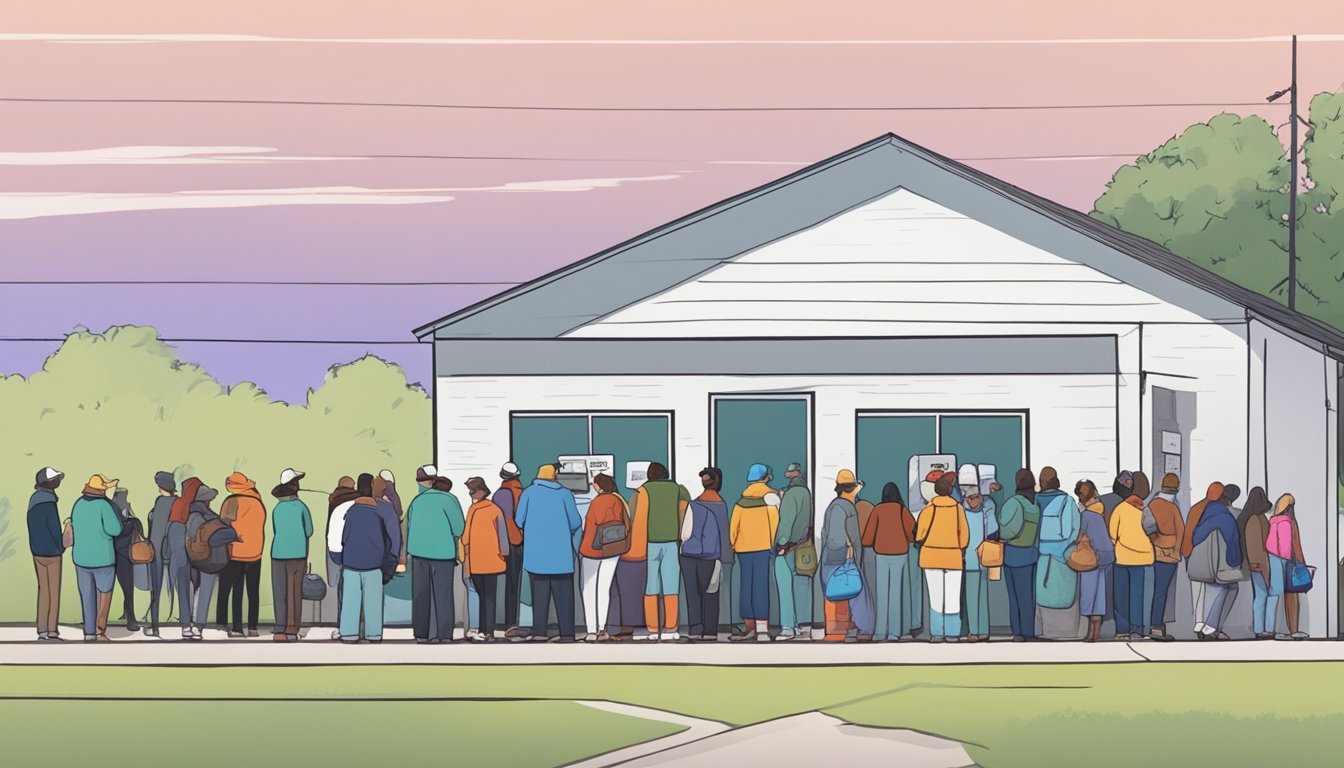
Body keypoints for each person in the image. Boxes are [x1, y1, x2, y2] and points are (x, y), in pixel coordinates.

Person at [515, 464, 582, 643]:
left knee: (539, 598)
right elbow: (575, 522)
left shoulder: (528, 493)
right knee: (564, 599)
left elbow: (519, 520)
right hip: (561, 557)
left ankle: (539, 632)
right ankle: (567, 634)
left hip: (536, 557)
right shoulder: (565, 494)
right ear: (555, 475)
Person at [405, 466, 464, 644]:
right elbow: (460, 528)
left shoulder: (416, 501)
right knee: (443, 595)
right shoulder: (449, 499)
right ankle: (444, 634)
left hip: (418, 553)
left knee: (420, 595)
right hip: (443, 554)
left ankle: (422, 634)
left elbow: (409, 527)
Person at [337, 474, 397, 643]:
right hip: (374, 565)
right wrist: (389, 564)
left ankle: (349, 633)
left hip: (351, 563)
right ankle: (373, 634)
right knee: (373, 602)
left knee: (350, 600)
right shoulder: (380, 513)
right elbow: (390, 541)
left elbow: (342, 538)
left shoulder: (348, 513)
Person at [636, 462, 691, 641]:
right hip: (671, 544)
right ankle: (671, 628)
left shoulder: (643, 490)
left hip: (650, 543)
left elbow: (638, 517)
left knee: (651, 587)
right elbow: (684, 514)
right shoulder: (678, 489)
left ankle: (652, 629)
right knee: (671, 587)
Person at [915, 471, 969, 643]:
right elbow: (965, 536)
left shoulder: (928, 510)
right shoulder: (958, 509)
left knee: (936, 598)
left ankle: (937, 633)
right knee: (953, 597)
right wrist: (959, 547)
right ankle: (953, 633)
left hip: (931, 556)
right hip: (953, 557)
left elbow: (919, 535)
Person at [731, 463, 781, 642]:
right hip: (763, 548)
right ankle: (762, 630)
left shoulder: (740, 503)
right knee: (761, 587)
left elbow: (733, 529)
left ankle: (749, 627)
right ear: (766, 478)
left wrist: (734, 544)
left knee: (746, 586)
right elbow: (775, 526)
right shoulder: (769, 500)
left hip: (743, 550)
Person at [576, 473, 628, 642]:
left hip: (593, 550)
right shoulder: (618, 501)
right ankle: (602, 628)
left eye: (594, 484)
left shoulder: (596, 502)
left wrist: (582, 547)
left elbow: (588, 526)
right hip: (614, 550)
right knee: (604, 589)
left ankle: (591, 629)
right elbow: (627, 524)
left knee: (588, 589)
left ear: (599, 486)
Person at [71, 474, 123, 642]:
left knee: (87, 595)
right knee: (104, 595)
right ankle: (100, 631)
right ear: (102, 491)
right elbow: (115, 530)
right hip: (103, 558)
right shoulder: (103, 506)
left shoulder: (78, 504)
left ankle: (89, 631)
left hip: (81, 557)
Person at [862, 481, 916, 642]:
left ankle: (880, 632)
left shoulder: (878, 509)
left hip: (882, 555)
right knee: (896, 594)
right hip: (900, 554)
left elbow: (868, 536)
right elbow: (913, 534)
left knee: (882, 594)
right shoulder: (902, 510)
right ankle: (894, 632)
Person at [216, 472, 266, 638]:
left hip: (236, 552)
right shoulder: (258, 501)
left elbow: (222, 523)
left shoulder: (232, 501)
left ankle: (237, 627)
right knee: (253, 592)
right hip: (256, 552)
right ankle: (253, 627)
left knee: (237, 590)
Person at [1034, 466, 1081, 641]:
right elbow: (1075, 529)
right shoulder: (1067, 501)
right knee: (1065, 597)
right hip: (1063, 559)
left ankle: (1043, 631)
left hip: (1041, 559)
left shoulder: (1034, 500)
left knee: (1043, 595)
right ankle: (1066, 634)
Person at [1190, 488, 1242, 640]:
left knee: (1210, 590)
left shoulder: (1205, 516)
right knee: (1230, 588)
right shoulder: (1228, 518)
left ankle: (1203, 625)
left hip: (1205, 566)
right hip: (1222, 565)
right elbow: (1233, 543)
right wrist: (1236, 561)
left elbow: (1195, 539)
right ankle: (1212, 627)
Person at [679, 469, 724, 643]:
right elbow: (725, 534)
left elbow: (685, 533)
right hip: (711, 557)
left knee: (693, 594)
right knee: (711, 594)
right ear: (717, 482)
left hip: (689, 556)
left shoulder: (694, 505)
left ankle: (696, 629)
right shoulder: (722, 505)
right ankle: (710, 631)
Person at [1109, 471, 1154, 640]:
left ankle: (1122, 631)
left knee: (1121, 597)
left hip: (1122, 558)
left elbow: (1113, 535)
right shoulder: (1146, 509)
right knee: (1138, 597)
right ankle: (1138, 630)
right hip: (1143, 559)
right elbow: (1152, 531)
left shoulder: (1119, 509)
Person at [998, 469, 1042, 641]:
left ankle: (1018, 632)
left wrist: (998, 534)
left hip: (1012, 555)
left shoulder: (1014, 503)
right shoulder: (1035, 505)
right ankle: (1029, 631)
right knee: (1027, 597)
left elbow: (1008, 530)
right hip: (1030, 554)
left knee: (1014, 597)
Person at [185, 484, 232, 640]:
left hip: (192, 557)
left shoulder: (191, 516)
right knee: (205, 590)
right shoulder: (213, 518)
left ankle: (189, 623)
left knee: (192, 589)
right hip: (209, 561)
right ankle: (198, 625)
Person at [463, 476, 508, 643]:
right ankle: (488, 631)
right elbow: (502, 536)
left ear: (481, 490)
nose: (471, 494)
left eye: (473, 491)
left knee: (482, 597)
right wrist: (504, 555)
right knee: (490, 597)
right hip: (494, 560)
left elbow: (465, 537)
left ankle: (484, 630)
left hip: (476, 561)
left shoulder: (473, 510)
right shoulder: (495, 509)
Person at [270, 469, 313, 642]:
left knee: (279, 591)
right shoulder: (302, 507)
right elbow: (309, 531)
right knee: (294, 592)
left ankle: (279, 629)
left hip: (277, 552)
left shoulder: (277, 508)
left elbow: (275, 530)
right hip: (298, 554)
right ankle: (292, 629)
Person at [957, 466, 998, 642]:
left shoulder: (962, 511)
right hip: (986, 557)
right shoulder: (988, 508)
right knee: (982, 597)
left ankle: (974, 631)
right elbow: (994, 529)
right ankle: (983, 630)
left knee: (972, 598)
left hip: (970, 559)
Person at [774, 462, 813, 642]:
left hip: (788, 548)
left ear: (790, 475)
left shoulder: (790, 495)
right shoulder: (806, 492)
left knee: (785, 587)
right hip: (803, 546)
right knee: (801, 586)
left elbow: (786, 522)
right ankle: (803, 627)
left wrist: (781, 544)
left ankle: (788, 627)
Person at [609, 474, 652, 641]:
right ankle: (629, 625)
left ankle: (621, 626)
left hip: (626, 552)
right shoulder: (629, 498)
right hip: (641, 551)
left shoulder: (635, 496)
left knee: (619, 592)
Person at [27, 467, 66, 641]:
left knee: (43, 591)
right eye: (56, 479)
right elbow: (54, 528)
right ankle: (52, 630)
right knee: (54, 591)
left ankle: (41, 630)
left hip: (37, 553)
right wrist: (61, 547)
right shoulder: (49, 501)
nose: (58, 481)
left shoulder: (33, 501)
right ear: (50, 483)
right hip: (52, 553)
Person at [1145, 473, 1185, 642]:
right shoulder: (1173, 507)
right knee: (1162, 593)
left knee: (1150, 591)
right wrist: (1177, 550)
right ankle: (1157, 627)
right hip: (1168, 554)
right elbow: (1180, 530)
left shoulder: (1152, 504)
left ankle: (1147, 625)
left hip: (1151, 551)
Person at [1181, 482, 1222, 638]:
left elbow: (1189, 532)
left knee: (1197, 591)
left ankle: (1198, 623)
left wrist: (1186, 553)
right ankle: (1206, 624)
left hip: (1191, 553)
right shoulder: (1215, 511)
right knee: (1210, 591)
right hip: (1207, 556)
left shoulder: (1196, 508)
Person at [1075, 480, 1114, 642]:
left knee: (1089, 593)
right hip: (1107, 555)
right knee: (1100, 594)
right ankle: (1096, 631)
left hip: (1091, 557)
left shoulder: (1086, 515)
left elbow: (1079, 536)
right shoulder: (1101, 510)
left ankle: (1091, 632)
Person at [492, 462, 527, 638]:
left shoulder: (499, 494)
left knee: (507, 584)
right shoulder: (522, 492)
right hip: (520, 540)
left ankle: (507, 622)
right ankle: (514, 622)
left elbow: (497, 521)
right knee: (516, 583)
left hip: (504, 542)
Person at [1267, 493, 1308, 640]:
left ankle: (1274, 630)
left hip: (1273, 561)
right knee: (1292, 596)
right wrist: (1302, 564)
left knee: (1275, 595)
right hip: (1290, 562)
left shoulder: (1271, 521)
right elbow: (1296, 545)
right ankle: (1293, 630)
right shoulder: (1291, 522)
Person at [167, 477, 202, 639]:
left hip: (181, 549)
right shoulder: (194, 505)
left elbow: (172, 528)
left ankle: (187, 624)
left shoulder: (179, 504)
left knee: (184, 588)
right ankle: (189, 624)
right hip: (190, 551)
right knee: (190, 587)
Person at [1239, 487, 1275, 640]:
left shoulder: (1249, 517)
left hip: (1255, 565)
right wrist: (1263, 568)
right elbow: (1257, 548)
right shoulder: (1256, 519)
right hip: (1259, 565)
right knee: (1262, 595)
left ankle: (1261, 628)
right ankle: (1262, 628)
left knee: (1261, 596)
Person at [145, 472, 177, 637]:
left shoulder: (161, 503)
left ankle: (155, 624)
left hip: (158, 549)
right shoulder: (175, 502)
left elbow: (158, 529)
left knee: (156, 588)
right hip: (169, 549)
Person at [110, 488, 141, 633]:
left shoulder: (111, 507)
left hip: (112, 554)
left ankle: (129, 617)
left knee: (106, 589)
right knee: (127, 589)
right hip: (125, 554)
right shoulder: (127, 511)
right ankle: (131, 618)